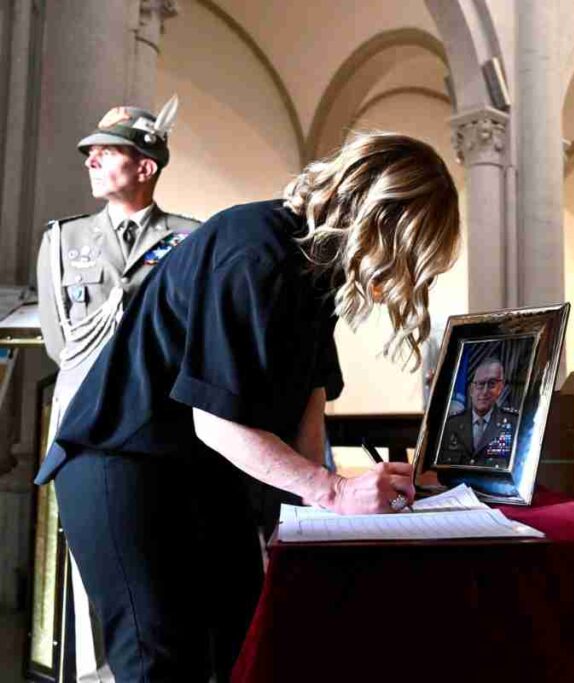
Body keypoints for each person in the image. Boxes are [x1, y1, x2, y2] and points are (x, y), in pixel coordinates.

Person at [34, 132, 461, 681]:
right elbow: (215, 420)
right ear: (381, 220)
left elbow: (309, 400)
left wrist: (316, 505)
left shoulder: (319, 272)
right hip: (124, 465)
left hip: (203, 476)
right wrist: (333, 490)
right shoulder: (255, 248)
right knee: (162, 664)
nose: (402, 278)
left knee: (243, 648)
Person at [35, 98, 200, 682]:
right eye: (90, 153)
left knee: (164, 593)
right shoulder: (63, 242)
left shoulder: (191, 241)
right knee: (97, 593)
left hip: (166, 434)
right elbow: (62, 344)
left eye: (107, 152)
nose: (92, 161)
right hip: (91, 428)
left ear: (146, 165)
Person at [437, 356, 520, 468]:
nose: (485, 391)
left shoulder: (514, 425)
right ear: (471, 390)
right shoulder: (451, 425)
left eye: (491, 384)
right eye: (480, 384)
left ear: (500, 388)